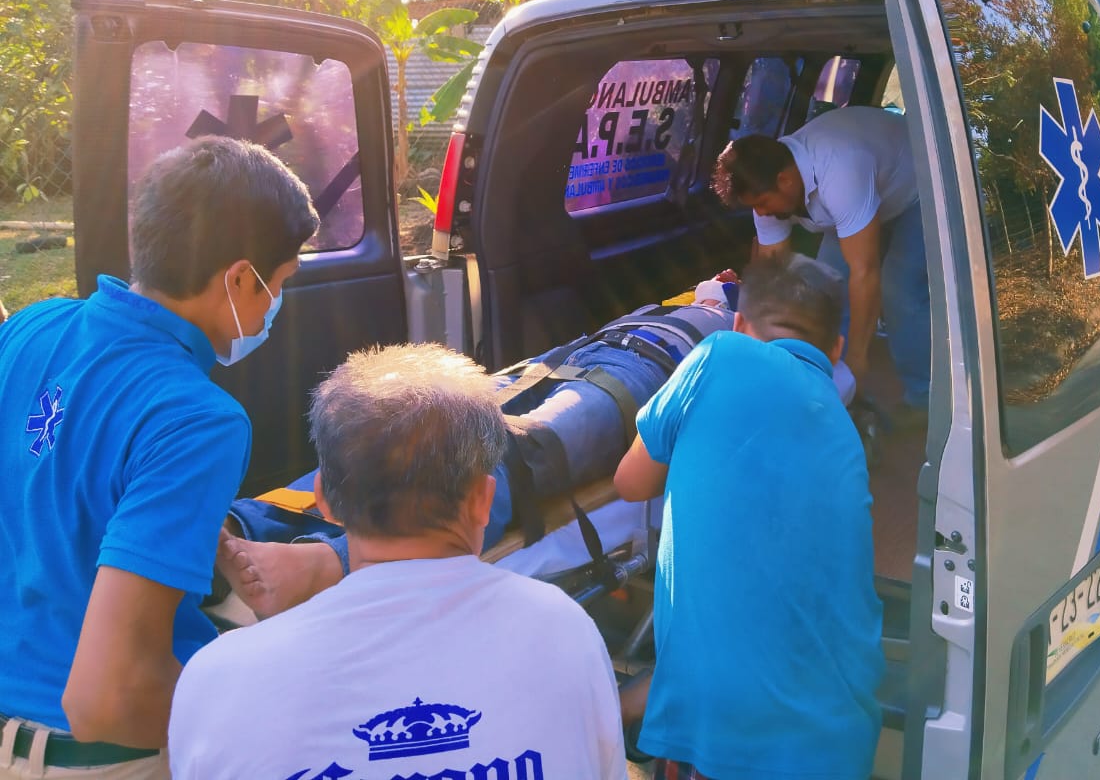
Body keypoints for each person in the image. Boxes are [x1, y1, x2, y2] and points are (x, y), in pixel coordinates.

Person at [0, 137, 317, 778]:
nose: (277, 305)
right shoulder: (197, 419)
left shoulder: (31, 327)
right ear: (237, 279)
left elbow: (52, 476)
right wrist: (275, 723)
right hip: (89, 755)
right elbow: (109, 698)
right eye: (278, 285)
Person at [169, 344, 628, 780]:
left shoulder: (216, 678)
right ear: (484, 501)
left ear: (324, 501)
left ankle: (293, 544)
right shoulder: (564, 629)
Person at [213, 277, 765, 619]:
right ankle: (245, 522)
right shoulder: (689, 295)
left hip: (642, 381)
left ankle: (326, 562)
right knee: (399, 428)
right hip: (584, 353)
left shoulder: (748, 333)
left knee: (518, 450)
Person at [615, 254, 884, 780]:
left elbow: (631, 483)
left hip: (734, 742)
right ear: (835, 351)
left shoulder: (718, 355)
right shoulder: (842, 430)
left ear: (738, 324)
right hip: (841, 739)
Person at [711, 105, 930, 417]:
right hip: (863, 198)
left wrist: (857, 358)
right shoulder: (770, 185)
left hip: (917, 190)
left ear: (784, 181)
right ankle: (829, 381)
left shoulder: (839, 168)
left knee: (900, 292)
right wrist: (754, 351)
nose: (760, 213)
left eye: (761, 204)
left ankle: (923, 399)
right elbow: (772, 278)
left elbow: (865, 272)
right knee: (828, 289)